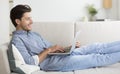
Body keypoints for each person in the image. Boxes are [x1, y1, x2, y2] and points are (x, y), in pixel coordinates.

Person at [9, 4, 120, 72]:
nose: (32, 21)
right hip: (54, 63)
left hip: (60, 55)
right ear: (17, 21)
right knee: (96, 58)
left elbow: (51, 48)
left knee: (97, 46)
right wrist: (49, 50)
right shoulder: (17, 40)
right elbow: (30, 62)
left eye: (31, 18)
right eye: (28, 19)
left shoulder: (33, 34)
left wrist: (68, 48)